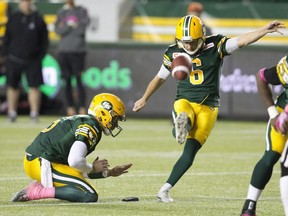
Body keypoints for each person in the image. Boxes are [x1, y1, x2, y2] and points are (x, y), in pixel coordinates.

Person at [132, 15, 285, 203]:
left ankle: (164, 189)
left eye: (192, 41)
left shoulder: (216, 45)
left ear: (202, 37)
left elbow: (242, 40)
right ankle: (181, 125)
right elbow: (159, 78)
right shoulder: (173, 52)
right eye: (184, 42)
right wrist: (144, 98)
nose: (188, 46)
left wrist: (264, 30)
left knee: (189, 154)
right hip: (185, 101)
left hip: (208, 107)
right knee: (184, 116)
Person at [12, 93, 132, 203]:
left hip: (37, 161)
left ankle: (38, 187)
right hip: (43, 162)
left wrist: (109, 173)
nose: (116, 124)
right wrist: (92, 168)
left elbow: (76, 169)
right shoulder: (92, 125)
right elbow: (75, 161)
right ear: (104, 113)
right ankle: (37, 191)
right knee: (88, 195)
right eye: (115, 118)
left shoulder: (84, 120)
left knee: (85, 190)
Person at [240, 54, 288, 216]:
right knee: (272, 155)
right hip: (283, 114)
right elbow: (261, 77)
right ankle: (249, 206)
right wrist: (273, 113)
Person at [3, 0, 48, 122]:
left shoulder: (38, 18)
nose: (26, 4)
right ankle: (12, 113)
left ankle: (34, 113)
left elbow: (44, 39)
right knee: (12, 86)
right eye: (23, 1)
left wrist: (40, 56)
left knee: (34, 87)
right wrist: (5, 54)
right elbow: (7, 37)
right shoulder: (13, 18)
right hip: (14, 58)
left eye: (28, 1)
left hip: (33, 60)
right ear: (19, 3)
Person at [54, 0, 90, 116]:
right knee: (67, 80)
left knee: (79, 81)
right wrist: (71, 26)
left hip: (78, 51)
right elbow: (57, 30)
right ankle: (70, 107)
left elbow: (82, 29)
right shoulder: (61, 12)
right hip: (63, 51)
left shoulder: (82, 11)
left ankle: (82, 107)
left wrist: (66, 26)